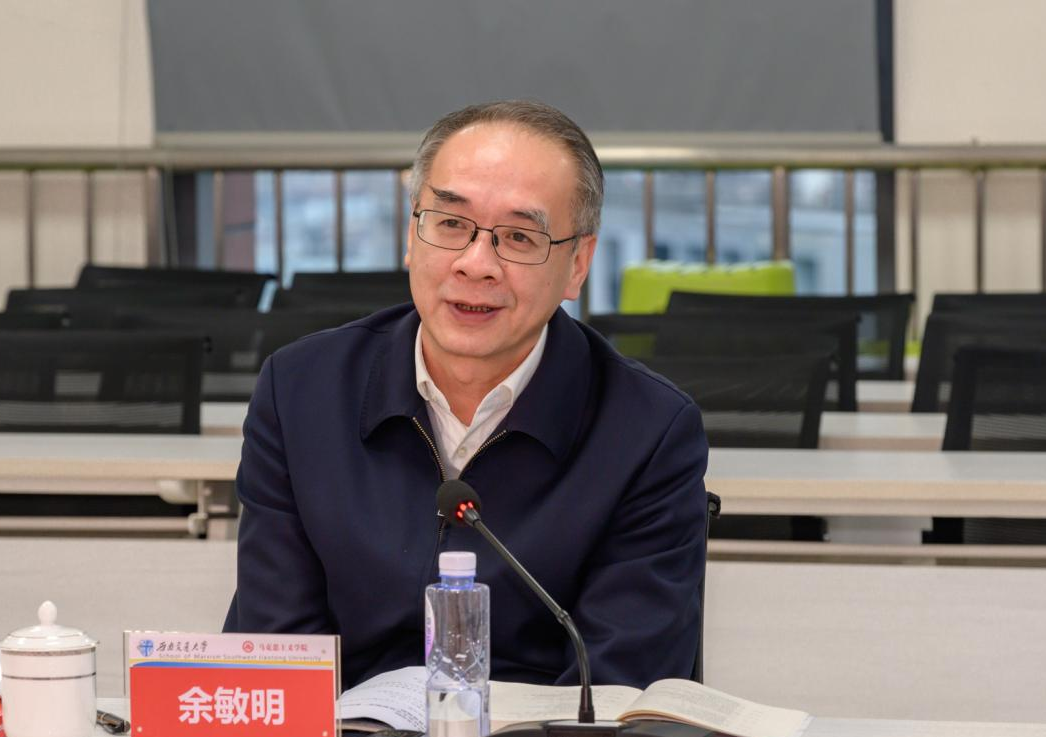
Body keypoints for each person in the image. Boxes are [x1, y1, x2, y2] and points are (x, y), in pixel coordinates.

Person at [223, 100, 708, 690]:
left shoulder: (648, 431)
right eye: (451, 224)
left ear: (578, 264)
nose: (476, 265)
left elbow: (617, 685)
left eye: (519, 237)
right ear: (412, 236)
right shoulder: (302, 391)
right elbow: (276, 653)